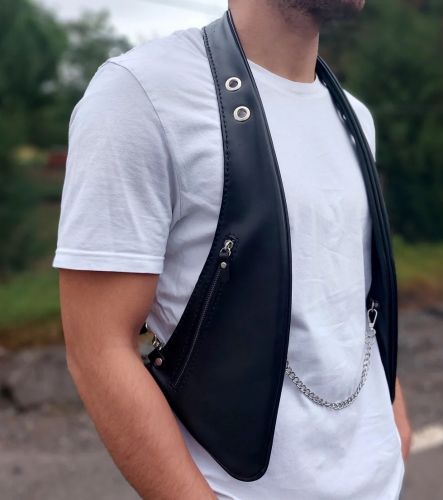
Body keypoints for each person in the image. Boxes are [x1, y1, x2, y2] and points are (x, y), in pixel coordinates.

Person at [53, 1, 413, 498]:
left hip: (380, 483)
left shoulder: (354, 116)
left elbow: (355, 301)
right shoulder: (141, 94)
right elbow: (98, 347)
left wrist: (394, 424)